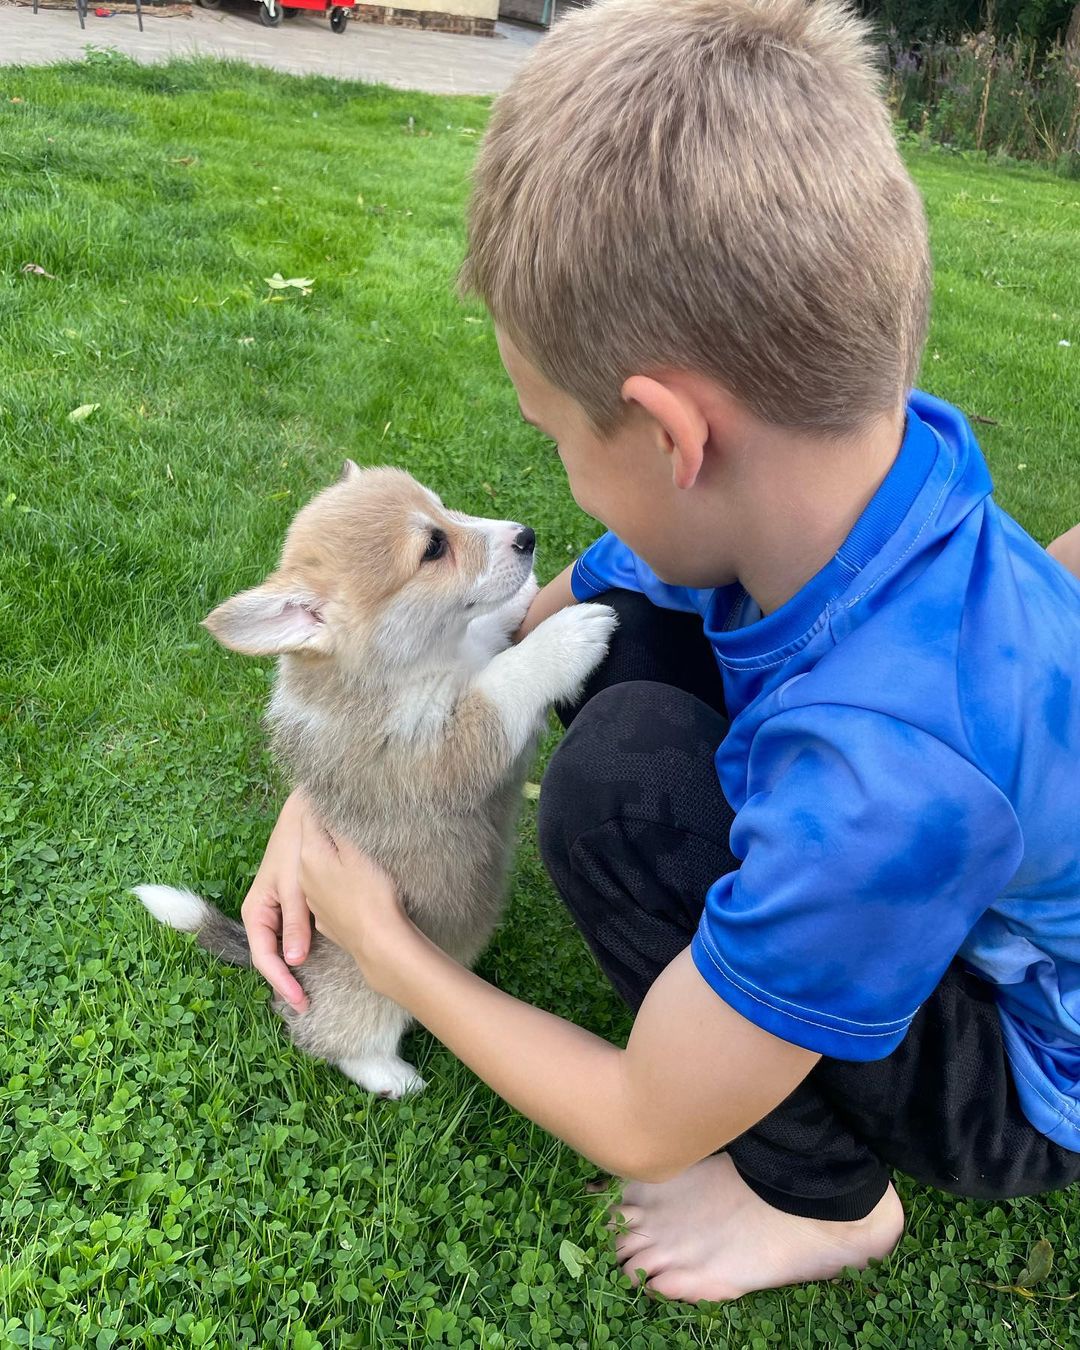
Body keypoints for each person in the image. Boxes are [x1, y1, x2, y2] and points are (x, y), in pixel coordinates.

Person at [240, 0, 1080, 1303]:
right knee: (614, 628)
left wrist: (383, 945)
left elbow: (641, 1115)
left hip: (1024, 1080)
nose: (558, 485)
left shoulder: (887, 773)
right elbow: (538, 617)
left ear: (673, 437)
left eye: (561, 440)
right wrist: (330, 789)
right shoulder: (858, 463)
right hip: (944, 834)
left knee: (619, 785)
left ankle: (826, 1201)